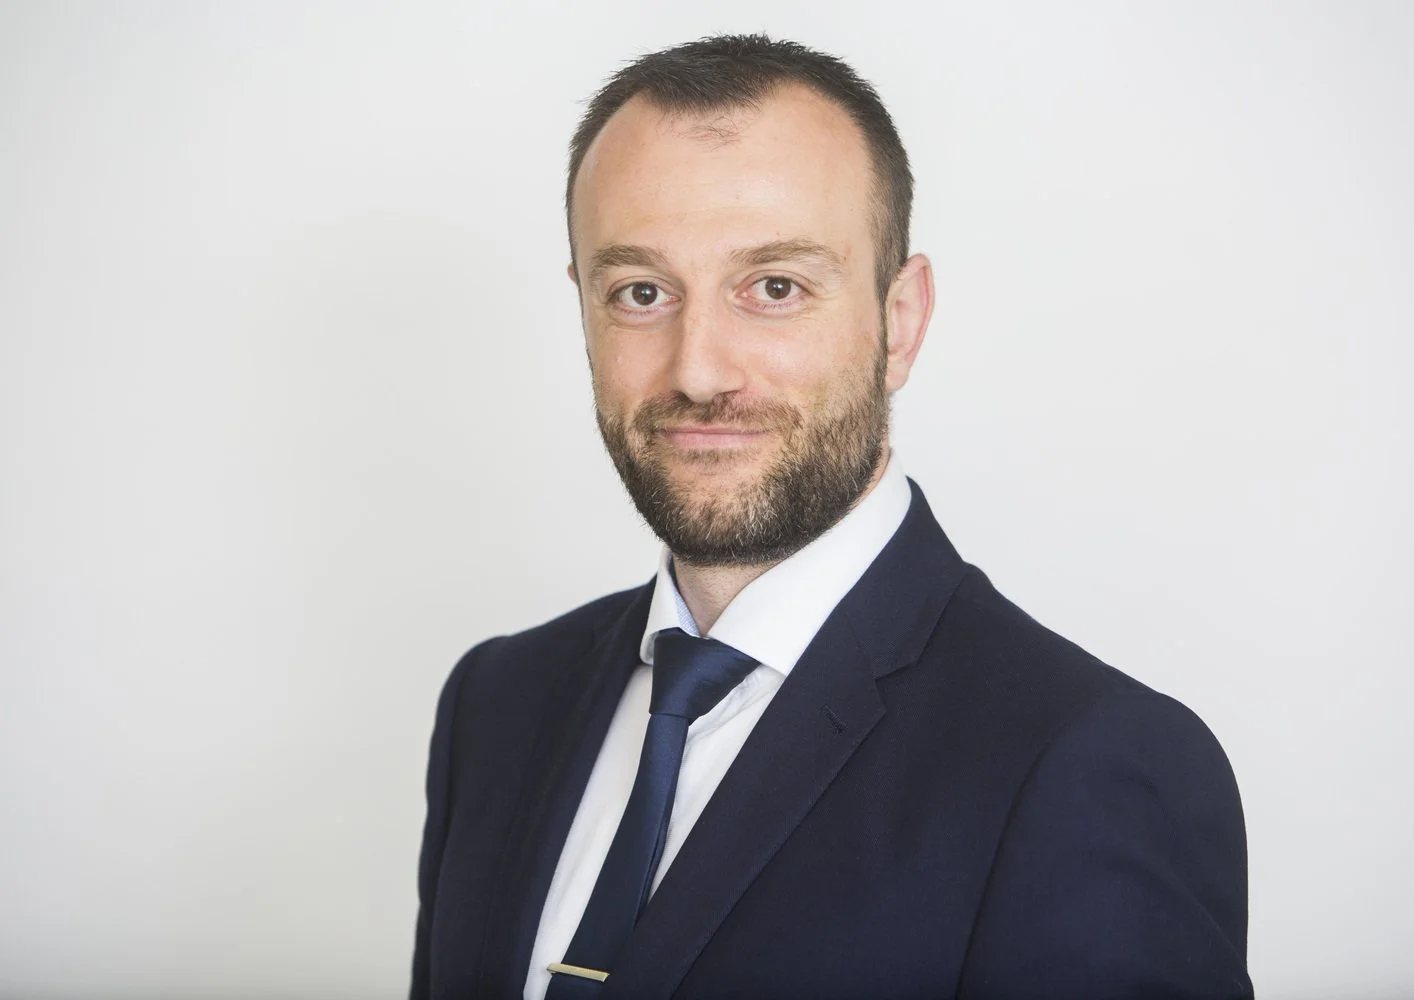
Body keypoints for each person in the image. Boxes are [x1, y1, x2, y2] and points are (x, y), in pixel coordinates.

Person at [410, 34, 1251, 1000]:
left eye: (776, 287)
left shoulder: (1087, 764)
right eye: (641, 292)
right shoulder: (497, 704)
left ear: (900, 322)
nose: (699, 370)